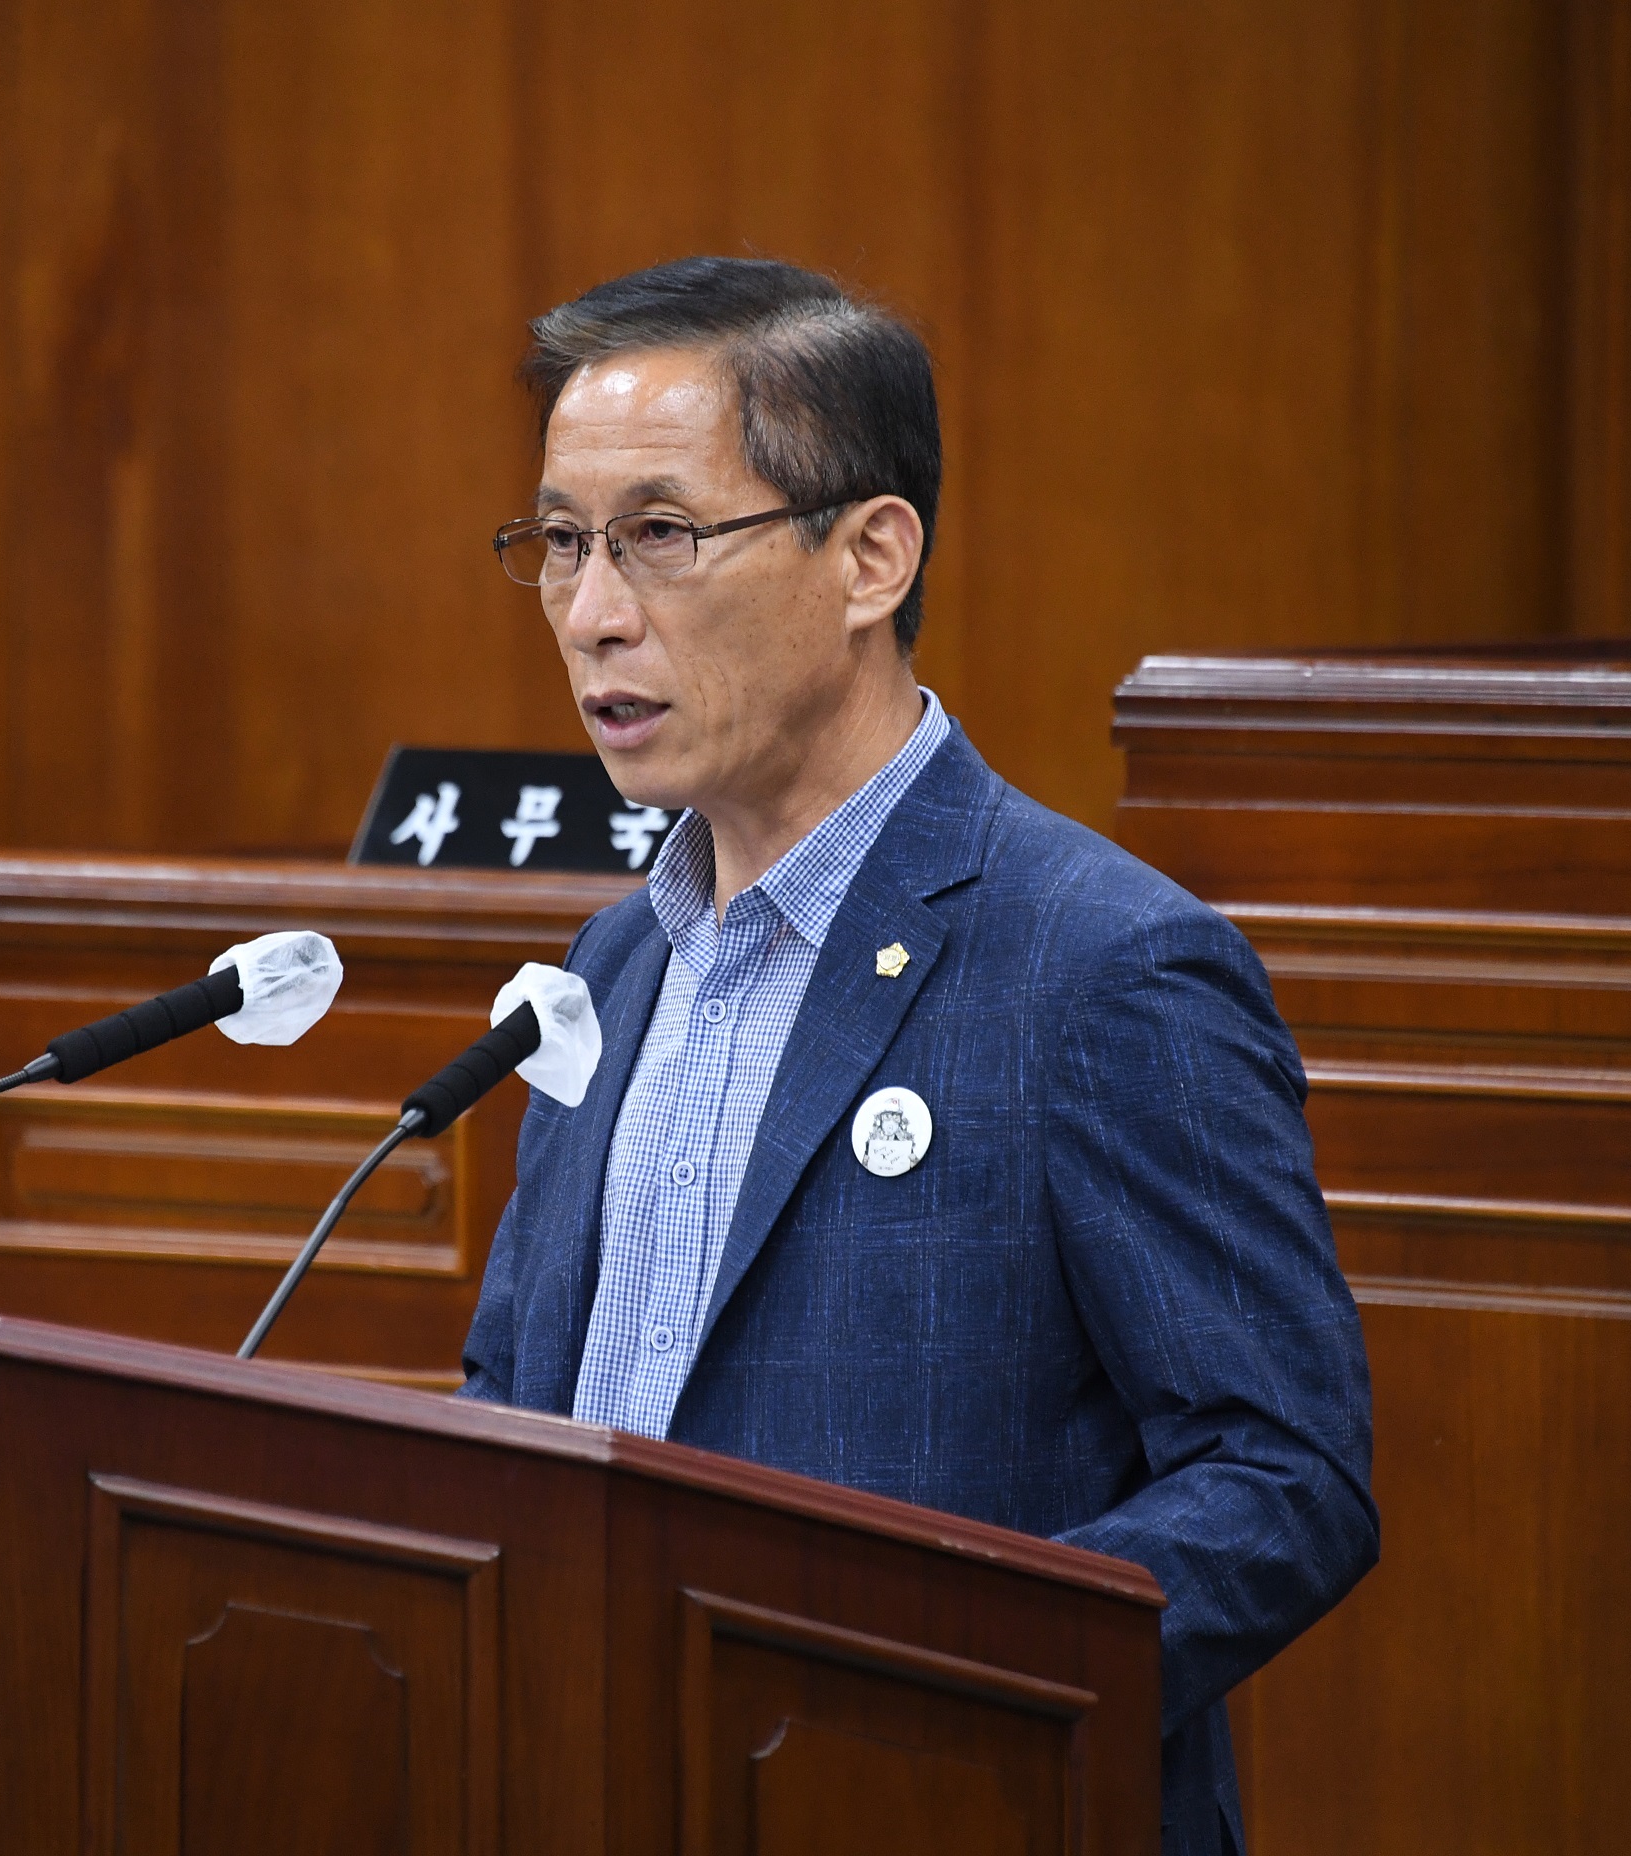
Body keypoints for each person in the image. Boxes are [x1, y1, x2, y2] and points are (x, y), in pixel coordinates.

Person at [456, 256, 1377, 1856]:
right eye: (561, 544)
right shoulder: (615, 958)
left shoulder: (1100, 964)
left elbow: (1284, 1478)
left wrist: (941, 1709)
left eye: (661, 538)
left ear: (871, 554)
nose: (594, 610)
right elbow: (521, 1395)